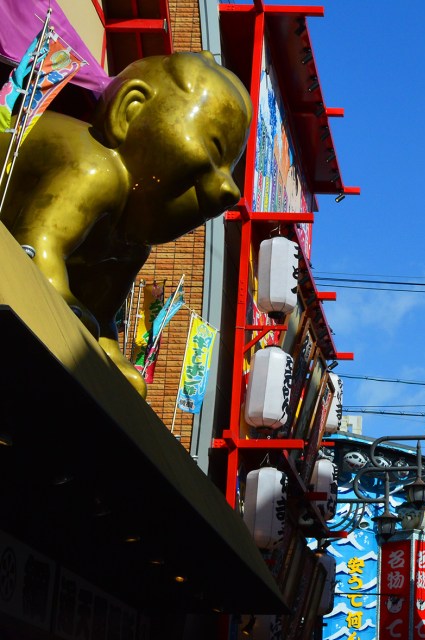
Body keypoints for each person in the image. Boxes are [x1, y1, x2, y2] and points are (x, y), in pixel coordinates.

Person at [0, 51, 251, 396]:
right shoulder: (95, 166)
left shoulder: (132, 242)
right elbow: (38, 248)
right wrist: (66, 305)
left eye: (230, 167)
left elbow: (99, 315)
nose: (229, 189)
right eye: (215, 147)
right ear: (130, 111)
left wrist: (107, 347)